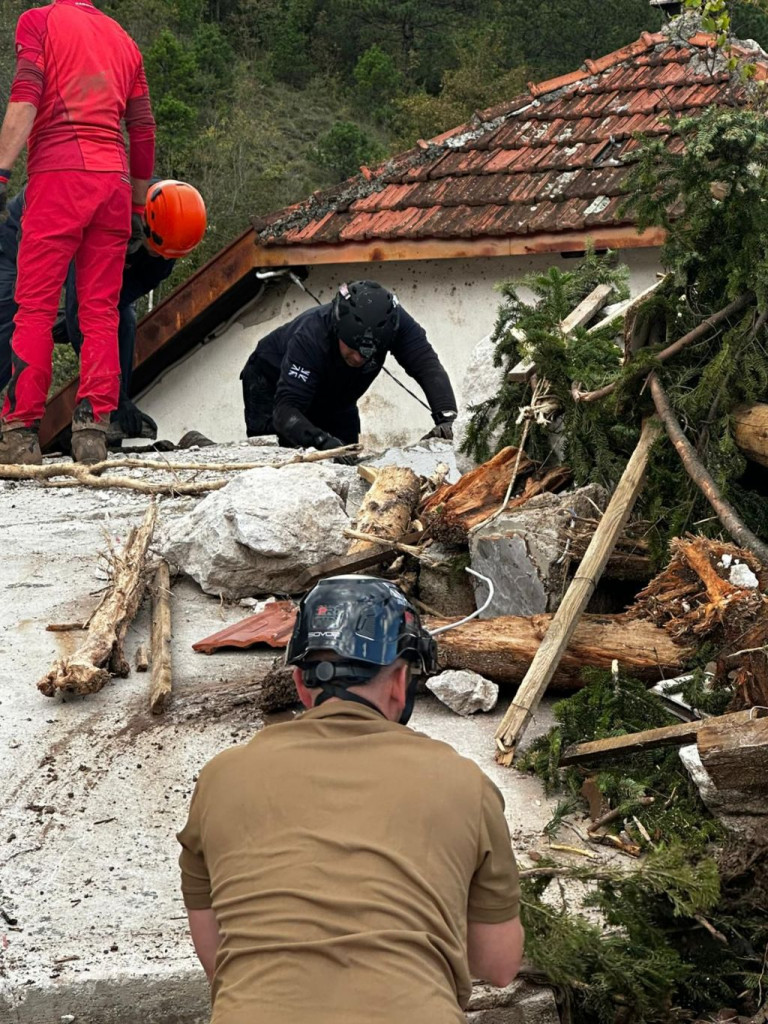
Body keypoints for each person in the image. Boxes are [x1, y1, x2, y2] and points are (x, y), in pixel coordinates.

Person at [177, 575, 524, 1024]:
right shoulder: (465, 784)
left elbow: (218, 964)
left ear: (302, 684)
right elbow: (497, 966)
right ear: (401, 681)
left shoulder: (221, 777)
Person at [0, 0, 156, 466]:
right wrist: (137, 204)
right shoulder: (124, 40)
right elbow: (142, 128)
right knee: (101, 310)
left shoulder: (39, 21)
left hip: (59, 176)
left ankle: (19, 433)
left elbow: (26, 97)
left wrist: (2, 171)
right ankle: (92, 432)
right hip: (113, 181)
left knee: (35, 306)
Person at [0, 179, 205, 443]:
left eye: (167, 255)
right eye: (158, 252)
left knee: (122, 319)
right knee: (13, 323)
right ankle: (18, 428)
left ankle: (108, 417)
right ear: (144, 225)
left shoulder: (170, 237)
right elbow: (80, 310)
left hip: (93, 235)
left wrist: (117, 396)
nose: (163, 259)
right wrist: (71, 324)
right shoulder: (110, 216)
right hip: (28, 231)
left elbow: (112, 307)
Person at [240, 280, 458, 460]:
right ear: (337, 330)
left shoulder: (398, 324)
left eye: (369, 354)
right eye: (353, 349)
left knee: (348, 458)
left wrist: (447, 418)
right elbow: (285, 411)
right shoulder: (311, 335)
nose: (358, 358)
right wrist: (321, 442)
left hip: (336, 396)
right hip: (271, 382)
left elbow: (427, 366)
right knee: (281, 457)